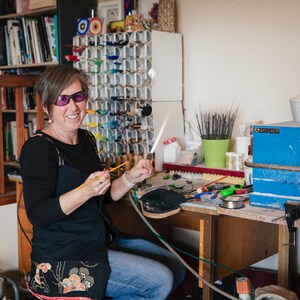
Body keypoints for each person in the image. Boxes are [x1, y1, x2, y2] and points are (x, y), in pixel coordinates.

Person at [20, 65, 185, 300]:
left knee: (176, 266)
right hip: (63, 259)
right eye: (62, 100)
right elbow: (38, 214)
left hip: (99, 241)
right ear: (47, 107)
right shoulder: (39, 148)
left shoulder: (86, 139)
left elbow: (103, 196)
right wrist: (84, 191)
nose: (73, 106)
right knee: (160, 281)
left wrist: (130, 178)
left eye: (78, 97)